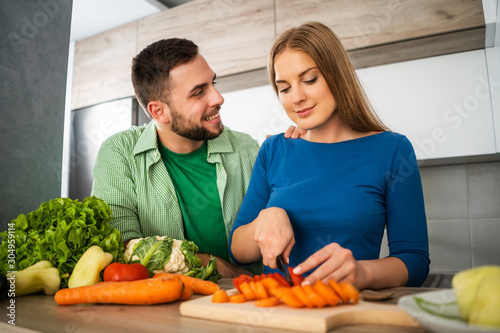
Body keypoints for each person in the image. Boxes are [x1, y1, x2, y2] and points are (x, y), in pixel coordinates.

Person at [229, 22, 430, 289]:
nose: (296, 97)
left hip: (346, 312)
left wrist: (363, 273)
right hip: (274, 314)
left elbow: (414, 261)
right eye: (284, 87)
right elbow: (237, 252)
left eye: (309, 80)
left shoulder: (392, 150)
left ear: (337, 75)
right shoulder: (274, 149)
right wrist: (266, 217)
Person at [91, 38, 300, 277]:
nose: (218, 98)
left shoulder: (248, 150)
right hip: (160, 308)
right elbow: (121, 246)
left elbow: (288, 222)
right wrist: (215, 265)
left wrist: (301, 152)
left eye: (213, 83)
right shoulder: (119, 153)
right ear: (159, 111)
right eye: (199, 92)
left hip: (245, 300)